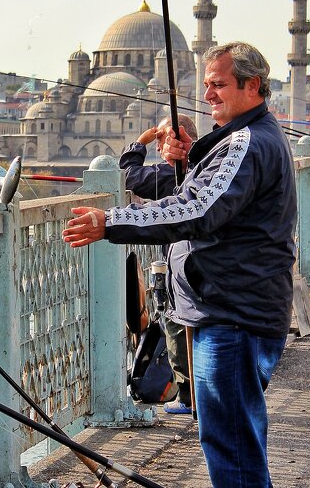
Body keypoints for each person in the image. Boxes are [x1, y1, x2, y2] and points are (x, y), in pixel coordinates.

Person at [63, 42, 297, 488]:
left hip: (234, 317)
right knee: (235, 439)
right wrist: (191, 160)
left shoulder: (247, 142)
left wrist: (110, 221)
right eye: (206, 84)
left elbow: (196, 209)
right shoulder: (250, 137)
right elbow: (222, 202)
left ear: (253, 86)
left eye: (219, 85)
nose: (208, 94)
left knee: (232, 445)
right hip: (236, 310)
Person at [120, 113, 198, 415]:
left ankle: (188, 397)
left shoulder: (172, 174)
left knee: (176, 325)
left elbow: (130, 176)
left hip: (182, 265)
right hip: (199, 263)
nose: (157, 144)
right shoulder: (203, 167)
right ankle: (198, 395)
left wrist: (140, 141)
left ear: (177, 139)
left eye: (161, 138)